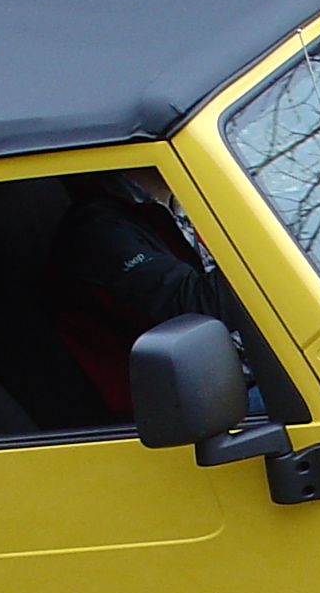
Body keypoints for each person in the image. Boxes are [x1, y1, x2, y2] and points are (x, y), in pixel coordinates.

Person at [48, 167, 240, 415]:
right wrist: (276, 250)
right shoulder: (97, 231)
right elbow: (197, 307)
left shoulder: (178, 200)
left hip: (229, 372)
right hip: (177, 410)